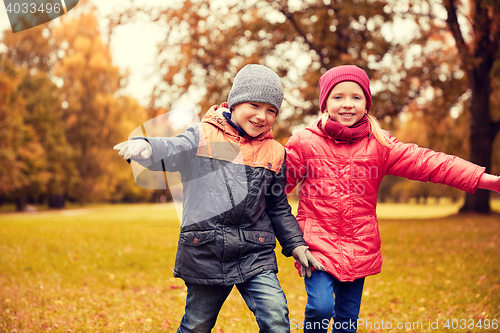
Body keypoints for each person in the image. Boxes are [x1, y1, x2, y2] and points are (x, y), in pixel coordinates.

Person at [284, 65, 500, 333]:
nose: (347, 104)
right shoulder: (304, 142)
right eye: (338, 97)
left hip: (359, 245)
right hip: (316, 246)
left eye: (356, 97)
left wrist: (484, 179)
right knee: (321, 308)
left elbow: (428, 163)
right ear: (325, 102)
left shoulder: (379, 144)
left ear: (367, 103)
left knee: (347, 320)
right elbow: (277, 188)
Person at [114, 64, 325, 333]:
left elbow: (278, 208)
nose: (262, 116)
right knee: (197, 325)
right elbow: (173, 148)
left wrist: (296, 245)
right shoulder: (202, 135)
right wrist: (148, 146)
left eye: (271, 110)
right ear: (235, 102)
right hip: (206, 250)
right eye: (255, 105)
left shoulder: (276, 153)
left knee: (277, 319)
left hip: (254, 252)